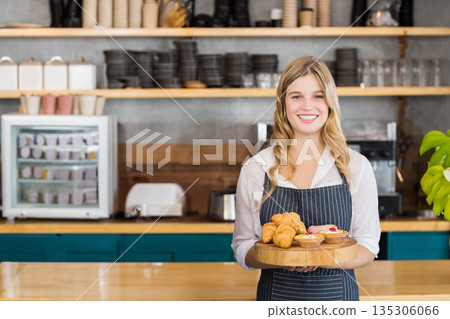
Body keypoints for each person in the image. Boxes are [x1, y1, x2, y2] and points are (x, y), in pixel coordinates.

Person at [231, 56, 381, 301]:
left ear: (330, 102)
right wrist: (283, 257)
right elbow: (243, 246)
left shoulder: (356, 166)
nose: (307, 106)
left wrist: (318, 254)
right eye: (296, 96)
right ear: (283, 104)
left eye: (318, 96)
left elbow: (368, 247)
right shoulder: (256, 168)